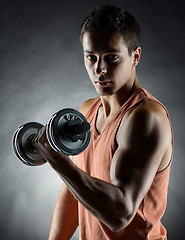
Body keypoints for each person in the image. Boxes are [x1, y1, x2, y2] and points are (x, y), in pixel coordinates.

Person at [34, 5, 173, 240]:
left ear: (135, 56)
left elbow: (120, 214)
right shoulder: (87, 110)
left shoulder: (146, 117)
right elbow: (74, 189)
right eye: (91, 57)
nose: (100, 69)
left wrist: (57, 160)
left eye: (112, 58)